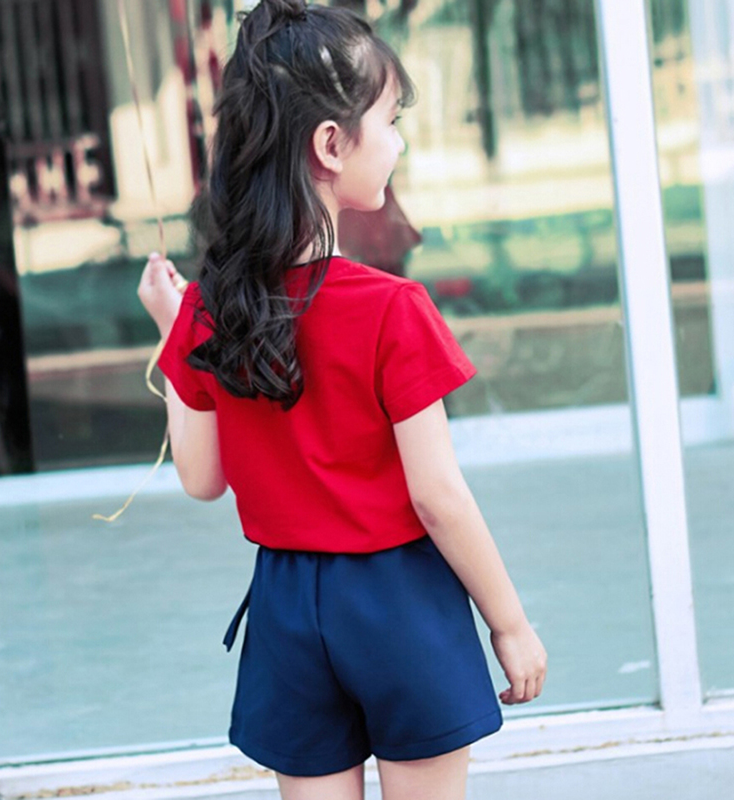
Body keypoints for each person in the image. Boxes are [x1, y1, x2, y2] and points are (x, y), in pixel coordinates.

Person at [137, 1, 547, 798]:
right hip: (399, 603)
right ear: (330, 144)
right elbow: (438, 498)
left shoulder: (211, 309)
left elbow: (201, 478)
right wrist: (510, 624)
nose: (398, 142)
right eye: (390, 121)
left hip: (287, 610)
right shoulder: (393, 309)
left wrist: (172, 329)